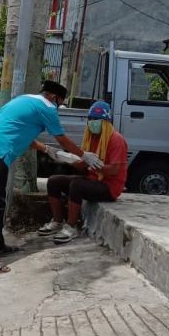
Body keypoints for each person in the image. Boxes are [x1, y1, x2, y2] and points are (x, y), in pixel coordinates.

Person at [0, 80, 104, 273]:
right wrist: (83, 155)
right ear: (53, 97)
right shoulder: (47, 107)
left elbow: (24, 133)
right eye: (59, 103)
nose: (58, 108)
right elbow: (61, 138)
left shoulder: (27, 99)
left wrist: (47, 150)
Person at [37, 101, 128, 243]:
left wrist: (95, 165)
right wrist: (69, 159)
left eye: (96, 120)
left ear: (105, 122)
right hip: (92, 179)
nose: (92, 123)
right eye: (90, 119)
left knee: (77, 185)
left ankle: (71, 226)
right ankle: (57, 221)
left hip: (109, 187)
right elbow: (83, 168)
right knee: (54, 181)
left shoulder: (116, 139)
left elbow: (114, 170)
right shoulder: (90, 139)